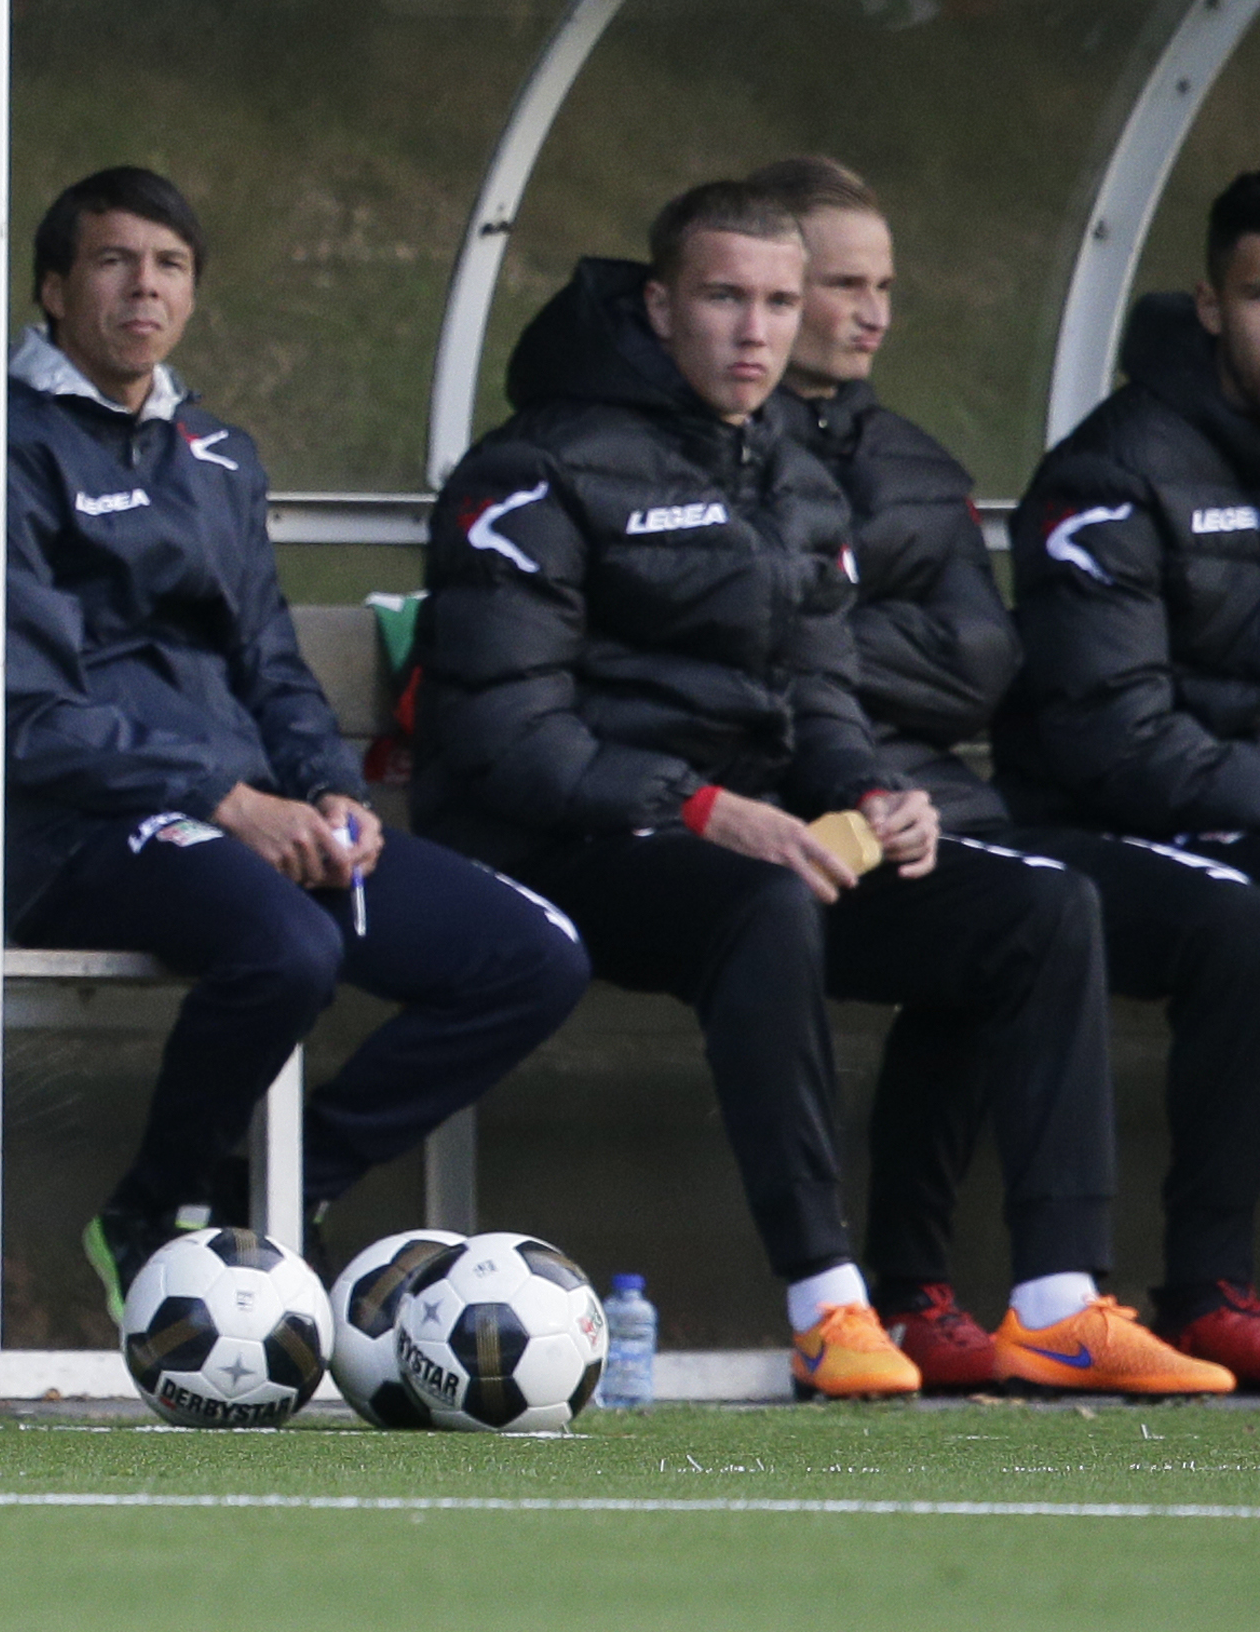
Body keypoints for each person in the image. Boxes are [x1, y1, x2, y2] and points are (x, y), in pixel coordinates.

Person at [414, 180, 1221, 1398]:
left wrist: (873, 788)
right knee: (764, 901)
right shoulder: (538, 465)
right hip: (566, 839)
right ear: (658, 303)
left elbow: (819, 682)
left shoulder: (788, 469)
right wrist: (697, 803)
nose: (757, 330)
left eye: (779, 301)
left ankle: (1059, 1302)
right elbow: (502, 732)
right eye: (725, 297)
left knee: (1041, 904)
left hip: (749, 827)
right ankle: (827, 1300)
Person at [2, 168, 589, 1318]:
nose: (145, 288)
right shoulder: (1, 446)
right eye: (116, 261)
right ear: (53, 288)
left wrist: (328, 790)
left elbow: (272, 661)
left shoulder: (220, 451)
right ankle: (148, 1213)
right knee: (288, 945)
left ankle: (283, 1189)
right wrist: (225, 798)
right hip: (87, 831)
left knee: (534, 955)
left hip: (254, 820)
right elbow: (29, 709)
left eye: (171, 266)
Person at [754, 155, 1247, 1393]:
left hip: (942, 804)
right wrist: (821, 649)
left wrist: (823, 643)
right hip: (781, 817)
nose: (869, 310)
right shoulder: (708, 460)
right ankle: (1150, 1290)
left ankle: (964, 1293)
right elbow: (736, 648)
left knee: (1023, 900)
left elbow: (980, 659)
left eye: (884, 284)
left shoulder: (911, 459)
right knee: (1070, 907)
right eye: (836, 282)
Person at [989, 167, 1260, 1383]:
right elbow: (1118, 742)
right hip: (1088, 829)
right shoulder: (1112, 472)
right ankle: (1212, 1286)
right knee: (1245, 919)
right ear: (1210, 303)